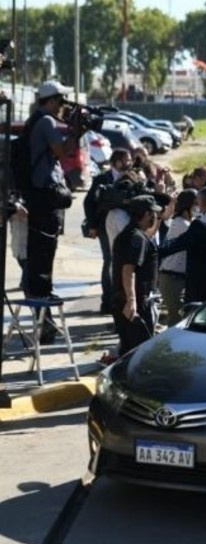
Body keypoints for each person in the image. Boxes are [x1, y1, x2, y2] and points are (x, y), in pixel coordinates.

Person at [23, 80, 80, 303]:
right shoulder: (46, 121)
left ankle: (39, 288)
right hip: (44, 193)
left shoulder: (35, 119)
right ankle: (40, 291)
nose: (63, 105)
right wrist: (75, 131)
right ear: (53, 100)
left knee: (41, 246)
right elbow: (63, 151)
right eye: (61, 100)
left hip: (38, 192)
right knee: (45, 245)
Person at [112, 195, 162, 356]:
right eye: (154, 213)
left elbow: (149, 235)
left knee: (129, 351)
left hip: (124, 300)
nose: (155, 216)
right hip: (136, 303)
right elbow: (128, 269)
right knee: (140, 352)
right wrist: (131, 301)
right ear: (147, 214)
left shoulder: (129, 234)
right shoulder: (137, 238)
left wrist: (162, 217)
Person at [84, 148, 133, 314]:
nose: (130, 162)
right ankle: (107, 301)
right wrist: (92, 225)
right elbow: (88, 202)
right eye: (127, 159)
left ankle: (121, 298)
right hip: (105, 227)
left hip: (124, 225)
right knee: (109, 260)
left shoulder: (131, 177)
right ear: (117, 161)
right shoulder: (102, 179)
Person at [158, 189, 197, 326]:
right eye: (196, 204)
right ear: (188, 206)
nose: (198, 207)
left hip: (177, 278)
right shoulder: (182, 224)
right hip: (172, 279)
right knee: (177, 320)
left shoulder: (188, 222)